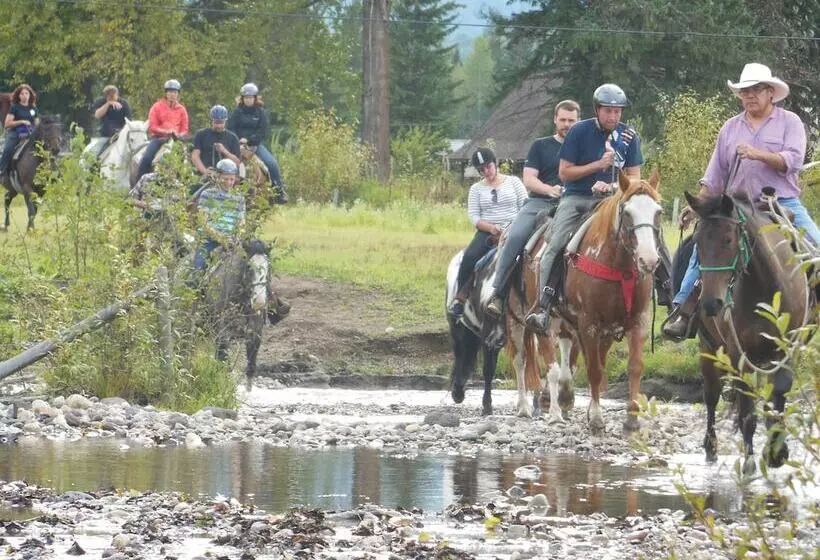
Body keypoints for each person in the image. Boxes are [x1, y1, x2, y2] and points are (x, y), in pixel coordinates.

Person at [663, 62, 818, 339]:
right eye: (745, 90)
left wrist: (758, 154)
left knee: (816, 249)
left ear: (771, 92)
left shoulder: (790, 122)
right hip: (735, 207)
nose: (750, 95)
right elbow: (714, 175)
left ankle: (811, 311)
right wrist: (698, 205)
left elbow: (793, 161)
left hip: (781, 203)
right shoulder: (730, 128)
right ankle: (683, 312)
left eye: (756, 89)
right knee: (703, 252)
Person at [525, 84, 645, 332]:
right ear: (597, 109)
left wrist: (613, 185)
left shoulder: (629, 136)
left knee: (649, 235)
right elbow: (564, 173)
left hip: (613, 200)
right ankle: (543, 305)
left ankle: (668, 294)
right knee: (555, 244)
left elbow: (635, 177)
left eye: (618, 112)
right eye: (608, 111)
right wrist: (597, 165)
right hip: (577, 198)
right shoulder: (579, 131)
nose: (613, 117)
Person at [484, 99, 580, 316]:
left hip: (575, 203)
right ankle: (498, 293)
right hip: (540, 202)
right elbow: (529, 179)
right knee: (515, 237)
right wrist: (549, 189)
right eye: (563, 120)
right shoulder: (541, 146)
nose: (567, 124)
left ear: (578, 121)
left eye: (571, 121)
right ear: (555, 120)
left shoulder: (584, 147)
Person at [450, 147, 528, 318]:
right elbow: (474, 216)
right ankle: (460, 297)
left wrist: (514, 226)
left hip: (515, 229)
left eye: (488, 166)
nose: (486, 171)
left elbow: (525, 205)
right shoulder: (476, 189)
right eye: (481, 169)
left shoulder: (514, 182)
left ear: (495, 163)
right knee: (470, 256)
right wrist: (490, 227)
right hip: (488, 232)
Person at [191, 158, 247, 274]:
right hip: (208, 241)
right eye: (225, 179)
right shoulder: (207, 194)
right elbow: (204, 222)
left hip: (231, 241)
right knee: (197, 272)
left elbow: (241, 222)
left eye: (232, 179)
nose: (229, 182)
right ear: (218, 177)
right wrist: (221, 238)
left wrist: (237, 236)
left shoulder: (239, 198)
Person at [227, 83, 286, 193]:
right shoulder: (236, 112)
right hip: (237, 146)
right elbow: (230, 129)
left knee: (272, 163)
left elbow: (262, 131)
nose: (248, 100)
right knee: (222, 163)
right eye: (246, 98)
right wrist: (238, 140)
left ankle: (278, 190)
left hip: (255, 146)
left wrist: (249, 140)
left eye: (250, 98)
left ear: (255, 98)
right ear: (242, 99)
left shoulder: (260, 113)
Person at [136, 79, 189, 183]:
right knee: (146, 158)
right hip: (159, 138)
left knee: (186, 162)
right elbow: (152, 126)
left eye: (175, 92)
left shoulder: (182, 109)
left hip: (176, 141)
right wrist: (166, 132)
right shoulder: (157, 106)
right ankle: (138, 185)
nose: (172, 94)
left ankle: (186, 187)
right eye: (170, 92)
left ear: (178, 94)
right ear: (166, 93)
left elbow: (185, 128)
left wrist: (179, 135)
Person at [0, 84, 39, 175]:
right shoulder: (15, 108)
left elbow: (37, 123)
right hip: (15, 133)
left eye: (26, 93)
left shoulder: (33, 109)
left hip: (30, 133)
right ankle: (2, 170)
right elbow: (7, 124)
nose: (25, 96)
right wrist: (21, 122)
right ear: (18, 96)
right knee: (8, 149)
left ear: (30, 95)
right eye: (22, 94)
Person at [191, 105, 241, 176]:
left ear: (225, 121)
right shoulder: (201, 134)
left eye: (221, 122)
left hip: (225, 177)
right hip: (205, 174)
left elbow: (237, 162)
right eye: (216, 122)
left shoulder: (233, 137)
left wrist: (224, 151)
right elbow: (195, 156)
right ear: (212, 121)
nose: (219, 126)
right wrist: (204, 171)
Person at [87, 85, 132, 157]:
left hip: (121, 135)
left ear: (117, 94)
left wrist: (122, 132)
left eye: (113, 94)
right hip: (106, 135)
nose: (111, 96)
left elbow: (129, 121)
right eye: (109, 95)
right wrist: (108, 104)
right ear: (105, 96)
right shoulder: (101, 102)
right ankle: (91, 166)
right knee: (95, 152)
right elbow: (97, 115)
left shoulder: (124, 103)